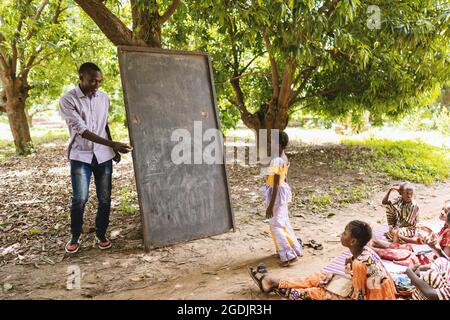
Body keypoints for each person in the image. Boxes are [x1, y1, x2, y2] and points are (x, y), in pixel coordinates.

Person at [59, 62, 132, 254]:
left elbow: (103, 124)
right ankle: (75, 235)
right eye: (92, 81)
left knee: (105, 198)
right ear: (81, 77)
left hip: (103, 155)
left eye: (99, 81)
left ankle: (101, 234)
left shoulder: (104, 97)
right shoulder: (68, 99)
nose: (96, 85)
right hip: (80, 155)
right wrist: (113, 144)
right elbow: (82, 130)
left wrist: (112, 149)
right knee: (80, 198)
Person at [248, 220, 397, 300]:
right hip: (375, 294)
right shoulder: (365, 251)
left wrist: (333, 291)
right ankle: (273, 282)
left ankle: (275, 285)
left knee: (317, 293)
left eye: (345, 233)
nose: (341, 234)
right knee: (321, 277)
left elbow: (359, 296)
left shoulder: (359, 263)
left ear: (352, 241)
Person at [260, 130, 302, 267]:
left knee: (276, 225)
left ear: (278, 144)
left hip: (276, 195)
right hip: (281, 193)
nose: (268, 144)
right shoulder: (283, 157)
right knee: (283, 222)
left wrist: (271, 205)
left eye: (270, 141)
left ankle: (289, 256)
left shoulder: (277, 160)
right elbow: (282, 179)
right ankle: (294, 249)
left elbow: (276, 184)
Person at [369, 200, 450, 265]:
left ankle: (371, 249)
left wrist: (434, 248)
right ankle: (376, 242)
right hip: (425, 250)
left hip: (430, 258)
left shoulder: (448, 237)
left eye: (446, 212)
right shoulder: (446, 227)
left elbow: (443, 261)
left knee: (404, 253)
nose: (442, 212)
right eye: (443, 209)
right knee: (407, 247)